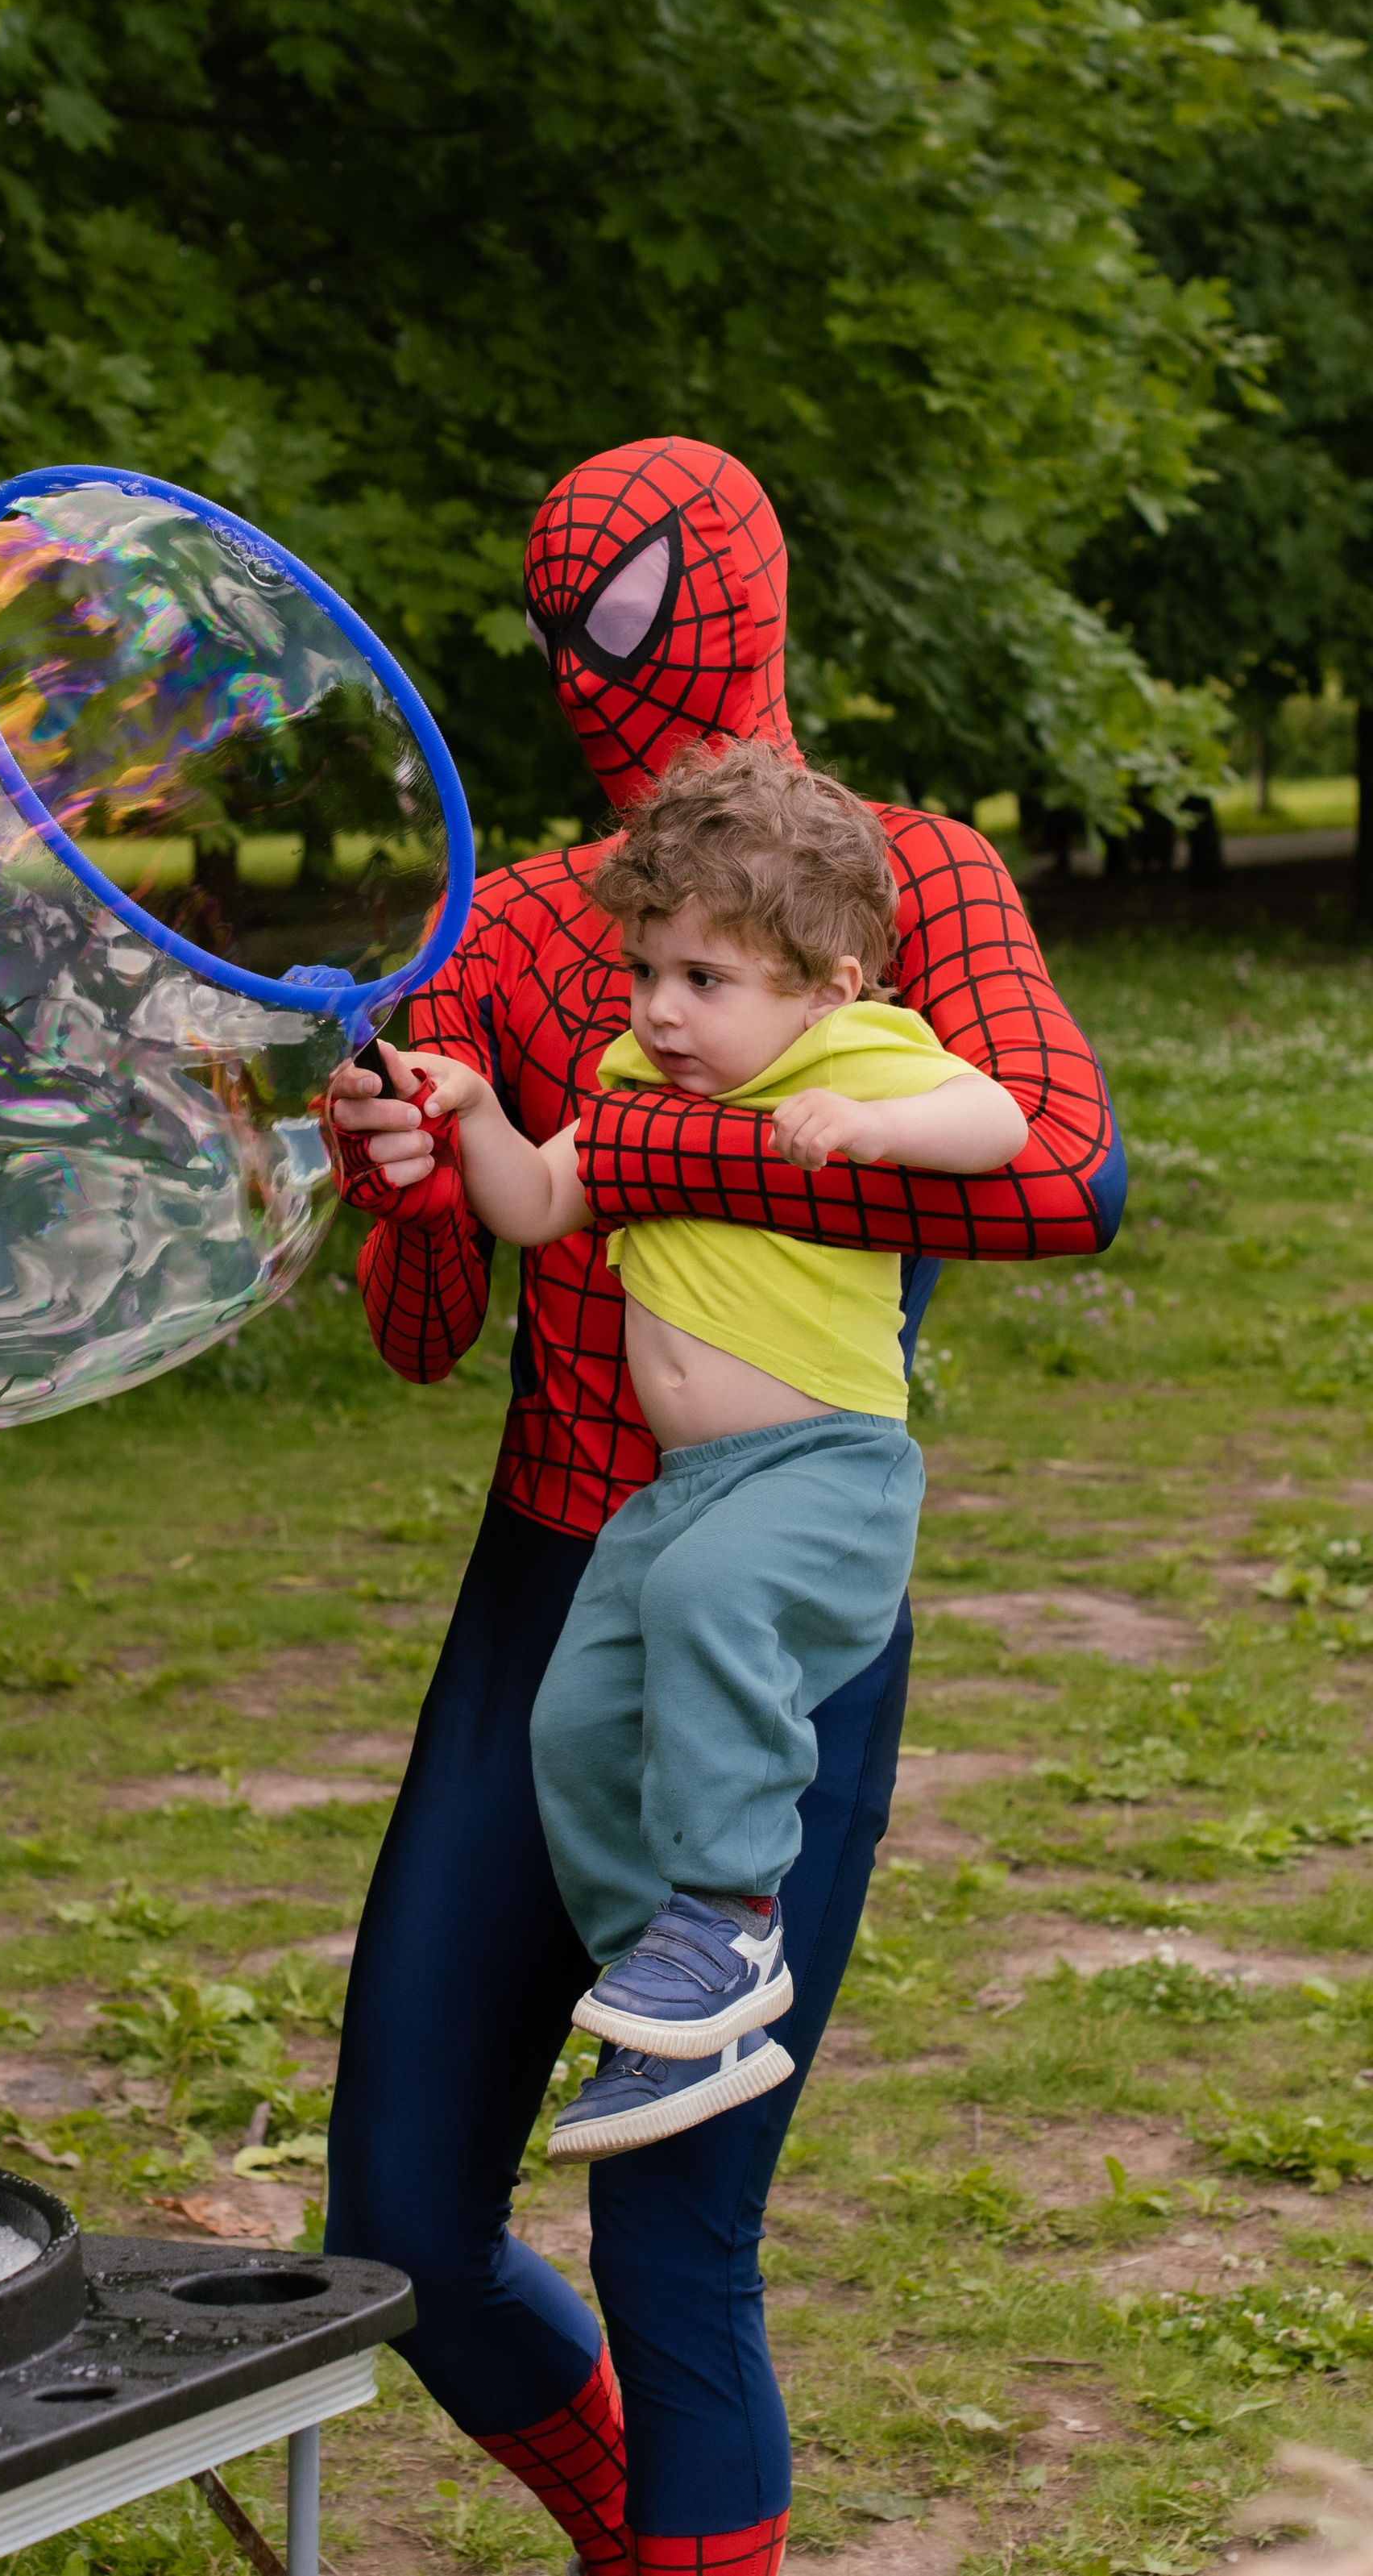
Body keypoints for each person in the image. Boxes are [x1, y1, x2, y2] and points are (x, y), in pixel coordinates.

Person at [321, 436, 1122, 2576]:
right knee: (396, 2225)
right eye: (572, 614)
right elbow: (424, 1325)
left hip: (774, 1595)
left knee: (676, 2237)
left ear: (744, 590)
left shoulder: (905, 877)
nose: (611, 653)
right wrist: (399, 1170)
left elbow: (1068, 1172)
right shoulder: (522, 927)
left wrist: (662, 1156)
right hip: (551, 1583)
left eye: (638, 600)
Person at [388, 742, 1027, 2158]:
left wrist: (877, 1124)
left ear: (823, 987)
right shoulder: (634, 1079)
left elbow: (1001, 1120)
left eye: (705, 979)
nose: (661, 1009)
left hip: (825, 1471)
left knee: (703, 1604)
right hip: (679, 1492)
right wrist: (477, 1112)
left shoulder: (850, 1052)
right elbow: (538, 1204)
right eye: (646, 971)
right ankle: (677, 1991)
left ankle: (732, 1919)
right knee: (575, 1720)